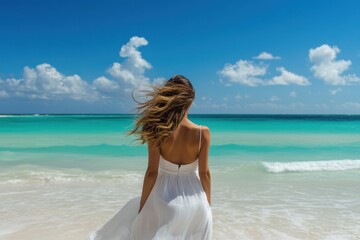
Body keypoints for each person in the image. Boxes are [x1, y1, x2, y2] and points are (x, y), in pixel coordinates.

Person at [87, 75, 212, 240]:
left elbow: (152, 172)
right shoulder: (202, 133)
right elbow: (204, 174)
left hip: (163, 199)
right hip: (196, 202)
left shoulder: (157, 129)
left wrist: (143, 206)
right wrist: (207, 206)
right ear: (190, 101)